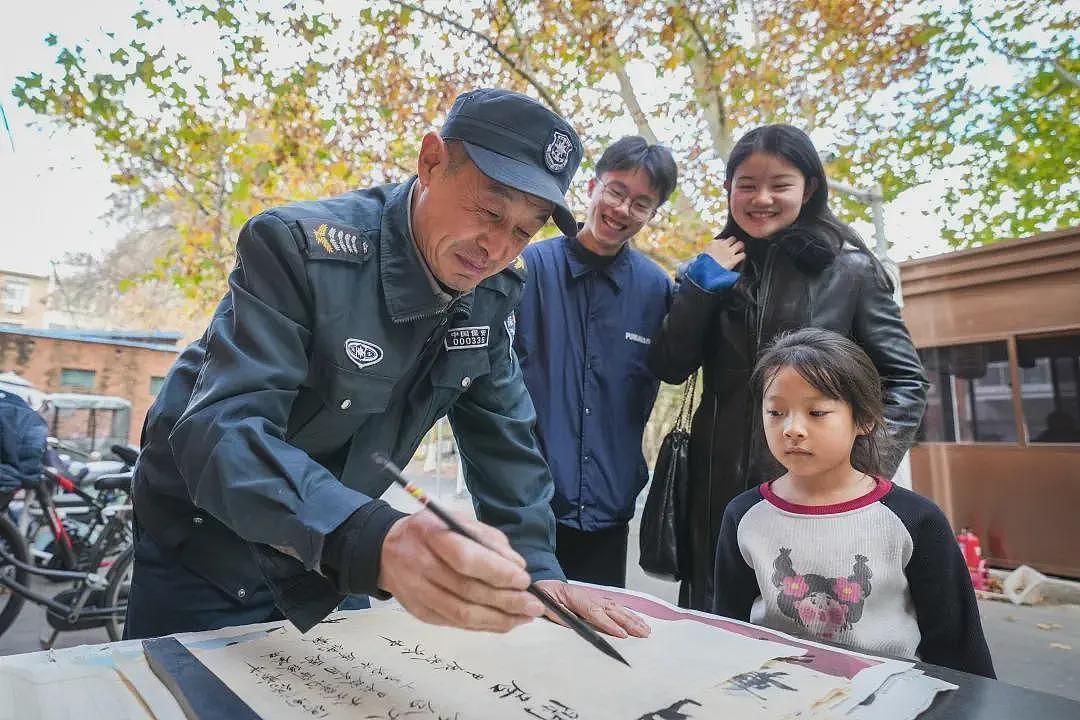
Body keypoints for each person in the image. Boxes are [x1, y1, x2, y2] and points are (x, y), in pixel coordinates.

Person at [125, 88, 650, 642]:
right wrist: (376, 542)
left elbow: (506, 443)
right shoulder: (297, 249)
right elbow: (220, 430)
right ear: (430, 163)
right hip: (208, 542)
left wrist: (538, 573)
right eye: (489, 211)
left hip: (336, 554)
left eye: (523, 230)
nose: (495, 248)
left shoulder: (494, 292)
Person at [648, 124, 928, 610]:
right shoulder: (712, 268)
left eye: (780, 185)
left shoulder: (851, 272)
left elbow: (906, 380)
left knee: (806, 629)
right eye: (747, 185)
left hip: (816, 494)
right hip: (714, 497)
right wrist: (701, 285)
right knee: (715, 628)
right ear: (729, 189)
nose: (761, 198)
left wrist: (859, 468)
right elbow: (672, 365)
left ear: (809, 189)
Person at [713, 328, 995, 678]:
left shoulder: (915, 520)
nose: (792, 429)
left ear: (865, 419)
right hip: (775, 693)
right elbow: (727, 630)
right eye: (776, 412)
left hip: (892, 698)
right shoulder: (744, 515)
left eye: (816, 412)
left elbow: (958, 649)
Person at [513, 136, 677, 588]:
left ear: (652, 214)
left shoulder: (656, 290)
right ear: (592, 187)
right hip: (527, 507)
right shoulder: (528, 269)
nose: (624, 209)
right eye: (617, 191)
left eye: (641, 203)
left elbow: (674, 367)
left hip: (608, 507)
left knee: (594, 643)